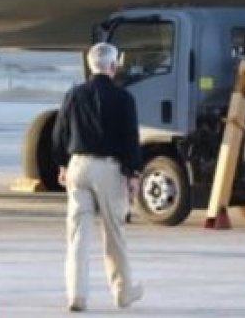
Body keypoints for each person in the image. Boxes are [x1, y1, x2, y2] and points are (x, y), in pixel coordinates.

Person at [52, 43, 144, 312]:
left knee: (78, 234)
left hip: (79, 165)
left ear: (89, 65)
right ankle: (123, 292)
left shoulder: (74, 94)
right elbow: (131, 139)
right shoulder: (124, 98)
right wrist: (134, 172)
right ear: (114, 66)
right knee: (114, 233)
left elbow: (59, 133)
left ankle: (77, 295)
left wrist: (62, 164)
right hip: (109, 168)